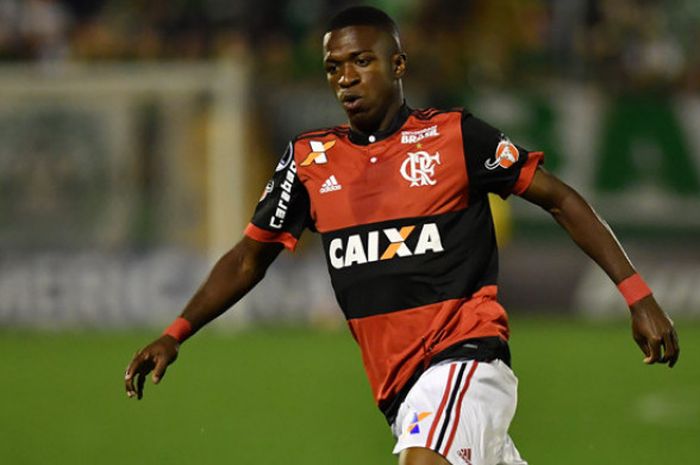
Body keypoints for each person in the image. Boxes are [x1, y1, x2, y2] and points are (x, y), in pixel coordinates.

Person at [124, 6, 679, 465]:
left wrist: (638, 295)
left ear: (398, 64)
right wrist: (176, 333)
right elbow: (250, 259)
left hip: (466, 359)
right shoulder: (310, 159)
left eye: (361, 61)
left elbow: (559, 199)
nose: (346, 77)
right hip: (399, 390)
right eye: (333, 66)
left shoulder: (455, 136)